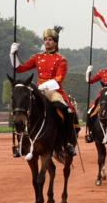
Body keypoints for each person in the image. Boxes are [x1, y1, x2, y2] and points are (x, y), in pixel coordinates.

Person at [10, 26, 78, 157]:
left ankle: (68, 142)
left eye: (50, 39)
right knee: (21, 106)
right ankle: (21, 143)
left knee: (67, 109)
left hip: (53, 90)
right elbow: (20, 68)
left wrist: (42, 87)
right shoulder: (37, 57)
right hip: (38, 89)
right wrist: (13, 55)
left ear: (55, 42)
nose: (47, 42)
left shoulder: (61, 59)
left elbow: (58, 79)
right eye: (45, 39)